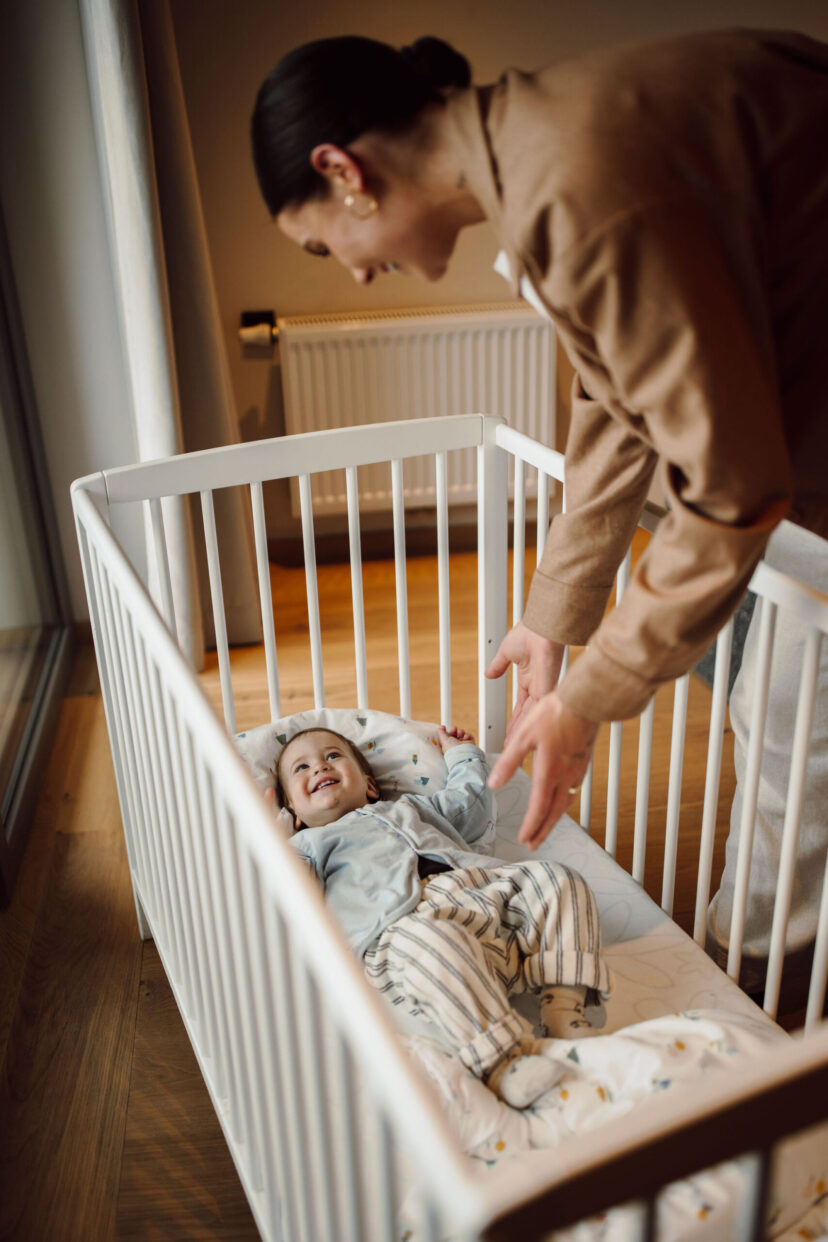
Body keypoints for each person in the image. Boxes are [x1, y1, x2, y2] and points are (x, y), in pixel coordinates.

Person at [251, 31, 828, 973]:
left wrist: (589, 700)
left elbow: (732, 490)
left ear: (343, 172)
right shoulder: (543, 139)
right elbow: (613, 399)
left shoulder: (580, 189)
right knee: (759, 683)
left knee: (790, 732)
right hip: (792, 419)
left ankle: (760, 978)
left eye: (324, 243)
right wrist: (554, 614)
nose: (350, 271)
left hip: (797, 450)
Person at [272, 725, 611, 1109]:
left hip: (481, 897)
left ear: (369, 785)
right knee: (432, 942)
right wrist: (270, 836)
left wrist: (462, 754)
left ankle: (564, 1010)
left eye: (333, 756)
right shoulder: (307, 845)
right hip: (402, 933)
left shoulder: (410, 807)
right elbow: (285, 893)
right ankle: (503, 1062)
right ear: (295, 813)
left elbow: (470, 806)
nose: (319, 767)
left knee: (556, 878)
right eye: (301, 768)